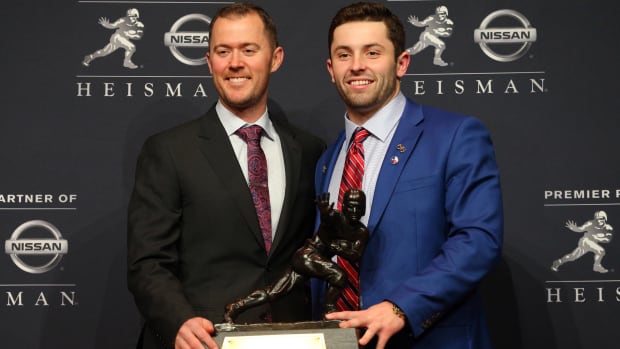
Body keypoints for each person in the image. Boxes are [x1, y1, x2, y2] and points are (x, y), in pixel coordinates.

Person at [127, 3, 324, 349]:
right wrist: (179, 322)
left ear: (275, 58)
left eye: (249, 50)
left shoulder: (309, 150)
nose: (235, 63)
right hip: (204, 341)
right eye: (223, 51)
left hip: (293, 339)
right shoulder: (169, 150)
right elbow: (148, 263)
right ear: (209, 62)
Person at [314, 3, 503, 349]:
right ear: (330, 68)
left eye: (373, 52)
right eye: (344, 54)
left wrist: (402, 307)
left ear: (401, 63)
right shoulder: (327, 160)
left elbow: (477, 240)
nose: (357, 65)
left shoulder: (455, 135)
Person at [223, 189, 369, 323]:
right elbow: (327, 221)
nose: (354, 211)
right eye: (351, 206)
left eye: (359, 207)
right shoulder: (335, 217)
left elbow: (355, 255)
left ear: (364, 209)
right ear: (343, 206)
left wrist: (336, 247)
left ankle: (236, 307)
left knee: (273, 292)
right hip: (307, 255)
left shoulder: (361, 232)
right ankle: (329, 310)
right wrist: (324, 214)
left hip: (309, 262)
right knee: (339, 276)